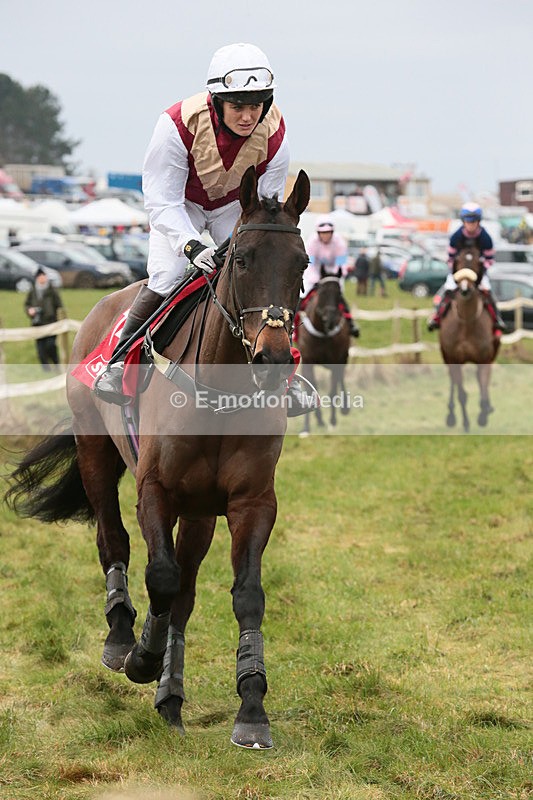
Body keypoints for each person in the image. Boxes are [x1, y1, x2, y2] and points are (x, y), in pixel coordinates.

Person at [96, 42, 296, 404]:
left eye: (255, 106)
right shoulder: (175, 124)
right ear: (216, 101)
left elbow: (266, 208)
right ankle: (119, 360)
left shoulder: (276, 132)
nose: (249, 116)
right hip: (181, 207)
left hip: (234, 208)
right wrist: (190, 245)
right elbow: (162, 200)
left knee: (265, 271)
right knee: (167, 276)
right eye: (238, 106)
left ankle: (287, 375)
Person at [427, 202, 506, 333]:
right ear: (463, 221)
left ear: (478, 221)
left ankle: (497, 318)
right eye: (468, 221)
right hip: (458, 272)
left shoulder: (485, 238)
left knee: (488, 292)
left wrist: (481, 272)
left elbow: (490, 259)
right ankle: (436, 316)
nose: (471, 224)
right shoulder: (456, 237)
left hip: (478, 273)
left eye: (473, 221)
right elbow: (450, 258)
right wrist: (454, 271)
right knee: (447, 290)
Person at [298, 218, 360, 337]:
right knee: (303, 295)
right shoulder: (311, 242)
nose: (325, 236)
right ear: (318, 233)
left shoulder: (339, 242)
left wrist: (333, 277)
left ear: (332, 232)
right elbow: (311, 264)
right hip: (315, 273)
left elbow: (341, 263)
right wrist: (317, 279)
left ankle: (350, 323)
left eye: (328, 232)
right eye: (323, 233)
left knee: (338, 295)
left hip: (334, 274)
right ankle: (293, 321)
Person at [25, 268, 64, 370]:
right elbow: (27, 304)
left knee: (51, 346)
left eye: (44, 276)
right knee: (40, 349)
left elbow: (59, 306)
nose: (42, 278)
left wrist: (59, 320)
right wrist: (30, 310)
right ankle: (46, 369)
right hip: (37, 323)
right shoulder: (33, 290)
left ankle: (56, 364)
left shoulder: (52, 290)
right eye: (40, 276)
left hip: (51, 322)